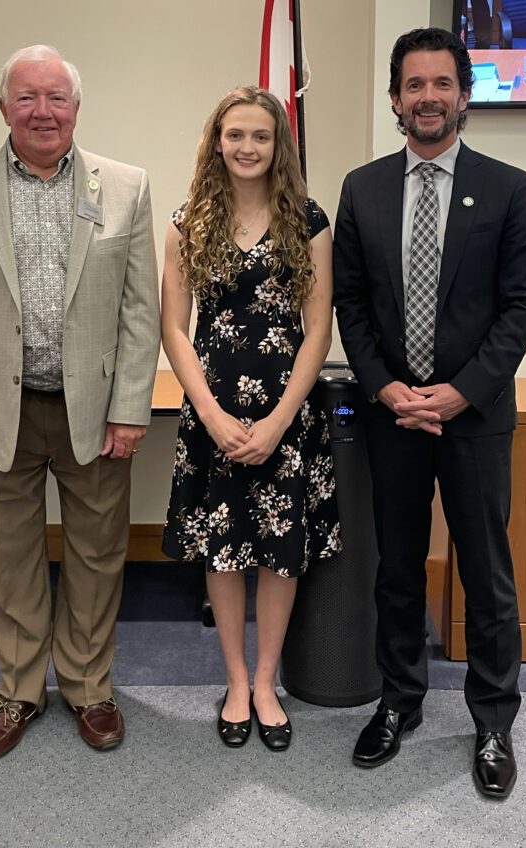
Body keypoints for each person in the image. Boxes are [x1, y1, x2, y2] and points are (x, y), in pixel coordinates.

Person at [0, 44, 160, 761]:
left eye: (56, 97)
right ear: (3, 108)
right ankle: (19, 691)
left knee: (97, 551)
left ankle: (88, 687)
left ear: (77, 109)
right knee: (8, 555)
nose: (42, 111)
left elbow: (140, 312)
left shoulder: (126, 186)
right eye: (27, 97)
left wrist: (129, 407)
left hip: (94, 410)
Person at [333, 28, 526, 798]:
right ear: (395, 99)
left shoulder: (507, 187)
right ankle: (399, 701)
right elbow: (350, 305)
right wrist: (386, 386)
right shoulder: (360, 190)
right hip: (391, 412)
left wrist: (461, 391)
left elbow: (523, 305)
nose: (427, 97)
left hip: (474, 413)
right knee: (396, 566)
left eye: (441, 83)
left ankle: (491, 719)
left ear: (464, 93)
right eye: (412, 85)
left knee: (486, 573)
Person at [161, 86, 341, 752]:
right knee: (224, 549)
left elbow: (318, 329)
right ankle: (235, 682)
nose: (245, 147)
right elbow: (174, 330)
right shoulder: (188, 222)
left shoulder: (308, 220)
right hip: (214, 415)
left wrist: (277, 421)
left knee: (279, 554)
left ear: (278, 145)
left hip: (285, 413)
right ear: (216, 141)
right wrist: (209, 415)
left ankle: (267, 684)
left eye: (259, 136)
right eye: (234, 135)